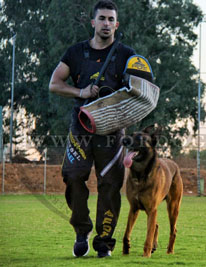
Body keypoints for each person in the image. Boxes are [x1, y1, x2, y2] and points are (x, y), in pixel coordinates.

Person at [49, 0, 135, 258]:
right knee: (73, 176)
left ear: (116, 24)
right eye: (102, 19)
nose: (106, 23)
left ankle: (104, 241)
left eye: (111, 19)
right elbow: (55, 83)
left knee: (110, 184)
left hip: (112, 131)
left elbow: (141, 89)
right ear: (93, 22)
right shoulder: (75, 53)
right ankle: (81, 230)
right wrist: (81, 91)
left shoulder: (127, 55)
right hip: (81, 127)